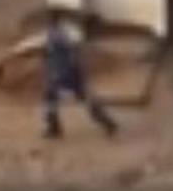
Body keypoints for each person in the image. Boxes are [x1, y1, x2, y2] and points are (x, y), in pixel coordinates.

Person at [41, 10, 117, 139]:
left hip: (62, 71)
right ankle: (106, 121)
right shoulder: (66, 33)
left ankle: (54, 128)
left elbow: (56, 51)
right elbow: (74, 49)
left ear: (53, 20)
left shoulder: (55, 34)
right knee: (83, 96)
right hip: (71, 70)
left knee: (50, 96)